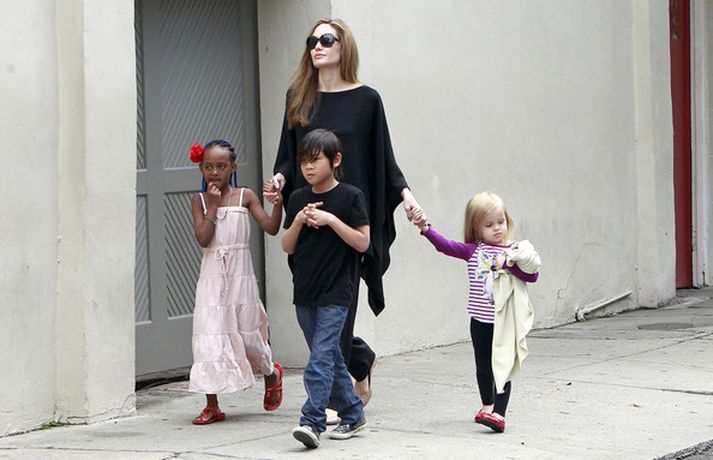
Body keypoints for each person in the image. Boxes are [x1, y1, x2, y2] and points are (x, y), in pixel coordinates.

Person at [264, 18, 422, 410]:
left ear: (343, 46)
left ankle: (336, 405)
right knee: (314, 318)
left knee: (337, 311)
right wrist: (280, 180)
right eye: (312, 41)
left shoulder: (367, 100)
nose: (317, 46)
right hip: (308, 218)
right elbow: (288, 155)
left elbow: (384, 158)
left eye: (326, 39)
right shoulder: (298, 97)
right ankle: (360, 360)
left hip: (349, 219)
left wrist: (407, 197)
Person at [412, 192, 541, 433]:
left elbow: (532, 276)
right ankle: (487, 406)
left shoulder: (514, 251)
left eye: (501, 222)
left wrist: (508, 264)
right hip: (480, 321)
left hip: (505, 322)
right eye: (489, 225)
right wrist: (425, 228)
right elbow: (445, 246)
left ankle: (499, 414)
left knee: (503, 366)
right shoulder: (474, 251)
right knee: (483, 367)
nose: (497, 228)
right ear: (476, 228)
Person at [188, 139, 284, 425]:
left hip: (240, 278)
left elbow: (271, 227)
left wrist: (278, 205)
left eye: (221, 166)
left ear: (233, 167)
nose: (214, 172)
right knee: (209, 337)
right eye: (208, 167)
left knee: (247, 333)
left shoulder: (245, 196)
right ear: (201, 169)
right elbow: (203, 239)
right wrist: (212, 208)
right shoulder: (200, 200)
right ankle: (212, 404)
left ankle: (271, 372)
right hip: (212, 279)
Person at [283, 129, 369, 448]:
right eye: (304, 161)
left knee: (320, 359)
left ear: (335, 160)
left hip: (337, 292)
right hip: (305, 291)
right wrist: (299, 221)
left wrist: (330, 220)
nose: (308, 167)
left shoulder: (351, 197)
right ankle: (353, 413)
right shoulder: (297, 199)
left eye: (315, 160)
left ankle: (312, 421)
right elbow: (287, 246)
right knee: (330, 357)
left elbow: (363, 242)